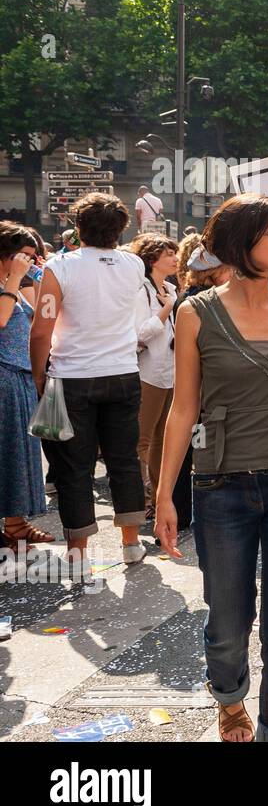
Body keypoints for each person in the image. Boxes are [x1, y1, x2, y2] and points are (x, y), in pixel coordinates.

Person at [154, 194, 268, 743]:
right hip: (222, 484)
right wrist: (163, 494)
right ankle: (230, 699)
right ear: (241, 242)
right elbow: (183, 407)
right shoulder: (196, 311)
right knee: (228, 622)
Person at [30, 192, 149, 570]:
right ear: (121, 227)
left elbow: (40, 330)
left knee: (74, 466)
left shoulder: (60, 267)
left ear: (77, 227)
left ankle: (78, 553)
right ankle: (131, 544)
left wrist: (38, 375)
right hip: (123, 373)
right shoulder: (133, 265)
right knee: (124, 460)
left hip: (72, 376)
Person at [167, 241, 230, 535]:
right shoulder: (196, 303)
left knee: (196, 451)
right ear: (213, 272)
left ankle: (185, 512)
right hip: (201, 395)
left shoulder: (188, 298)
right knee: (196, 451)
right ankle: (185, 512)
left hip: (203, 393)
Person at [0, 223, 54, 549]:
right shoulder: (8, 285)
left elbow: (39, 321)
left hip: (18, 379)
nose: (30, 262)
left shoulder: (16, 285)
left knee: (17, 455)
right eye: (25, 256)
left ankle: (17, 523)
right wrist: (14, 280)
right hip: (4, 377)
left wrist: (41, 279)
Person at [127, 233, 179, 521]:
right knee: (142, 440)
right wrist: (167, 309)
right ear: (151, 259)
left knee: (163, 438)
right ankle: (139, 500)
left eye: (174, 252)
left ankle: (160, 497)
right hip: (148, 373)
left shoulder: (171, 287)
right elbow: (140, 334)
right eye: (168, 253)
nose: (174, 257)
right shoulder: (142, 291)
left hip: (170, 372)